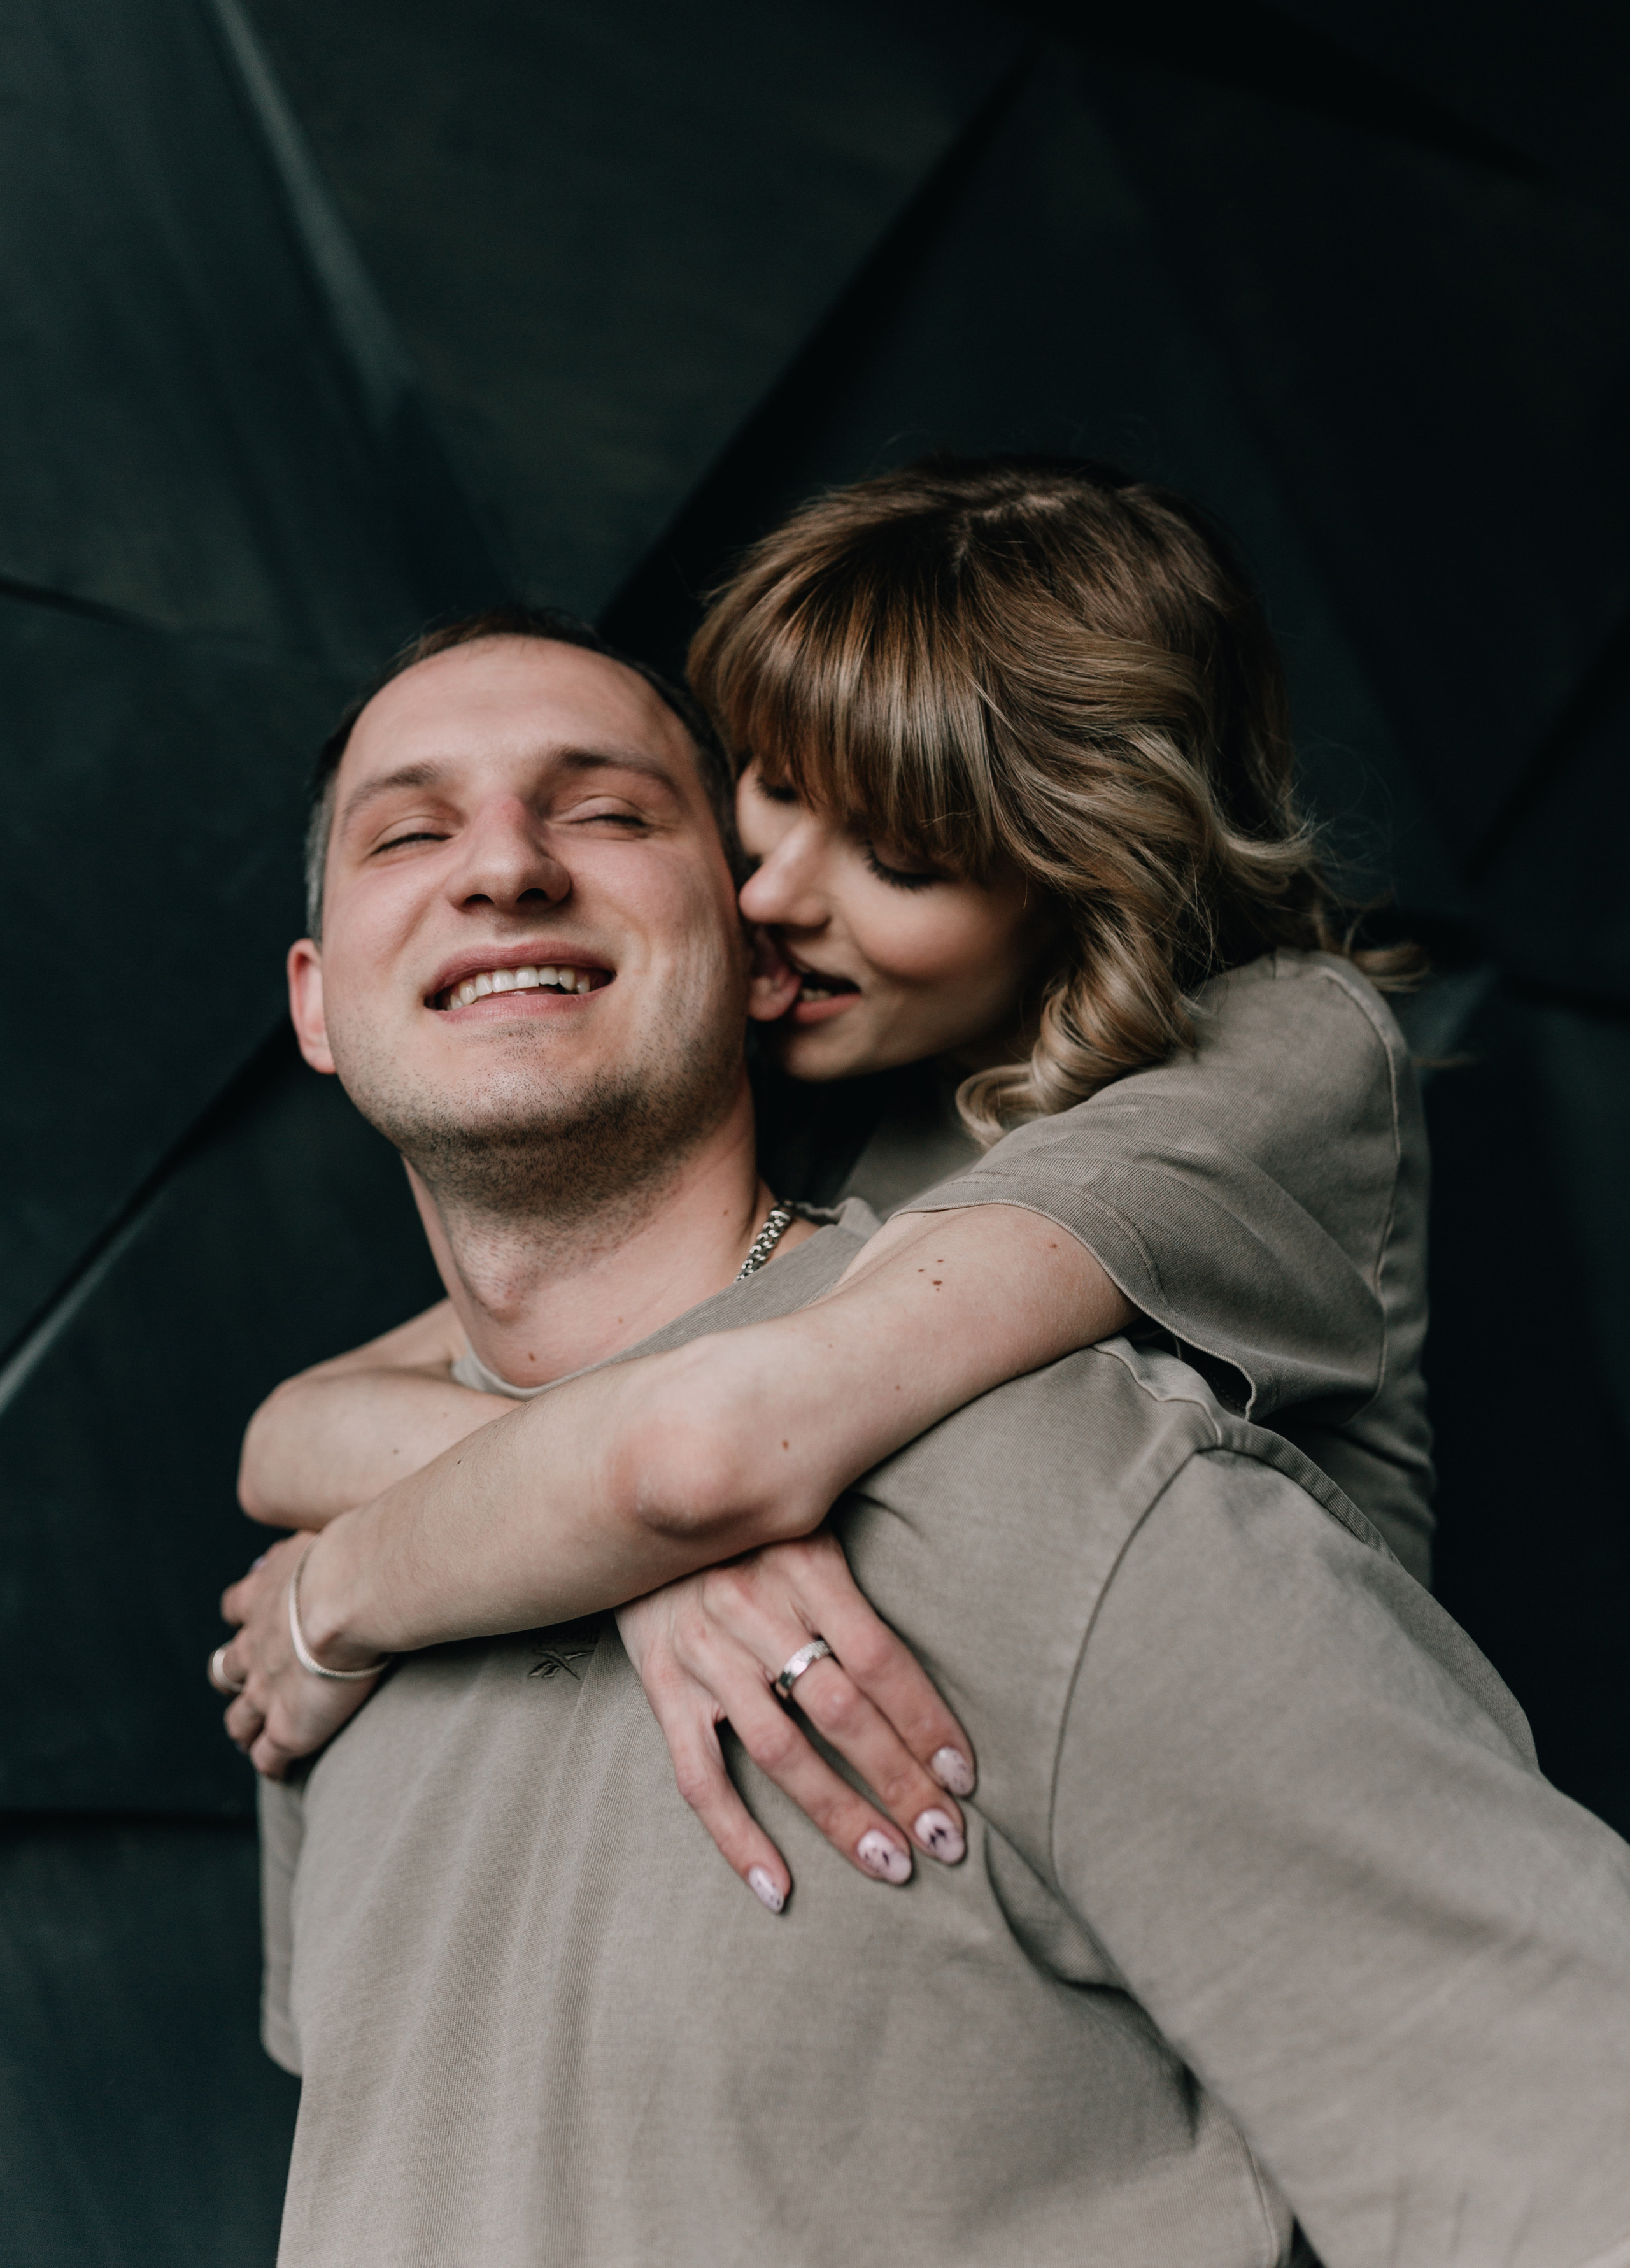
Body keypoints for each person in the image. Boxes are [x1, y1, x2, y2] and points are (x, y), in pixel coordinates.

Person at [216, 618, 1630, 2268]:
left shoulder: (1066, 1495)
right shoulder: (330, 1624)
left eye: (604, 812)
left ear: (759, 957)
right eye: (410, 830)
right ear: (315, 1003)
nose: (505, 867)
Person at [229, 459, 1431, 1906]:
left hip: (1258, 1848)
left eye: (899, 860)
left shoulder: (1271, 1060)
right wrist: (620, 1541)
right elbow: (305, 1426)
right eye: (777, 791)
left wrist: (347, 1592)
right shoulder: (835, 1080)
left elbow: (716, 1448)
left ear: (1084, 880)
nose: (771, 897)